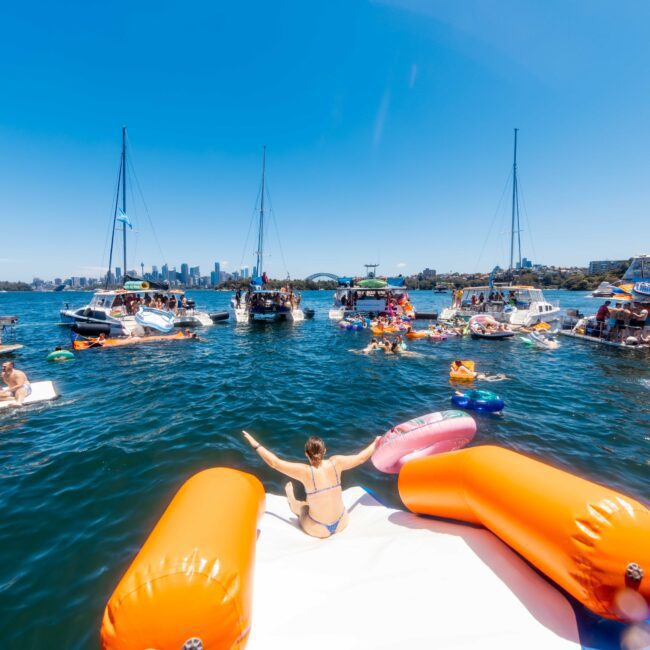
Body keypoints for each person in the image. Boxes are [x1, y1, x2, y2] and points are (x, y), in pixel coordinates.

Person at [242, 431, 379, 539]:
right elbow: (361, 457)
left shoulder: (305, 472)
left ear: (306, 454)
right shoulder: (336, 462)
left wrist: (255, 444)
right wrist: (376, 442)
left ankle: (291, 497)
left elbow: (275, 463)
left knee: (302, 507)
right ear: (325, 451)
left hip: (318, 529)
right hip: (342, 521)